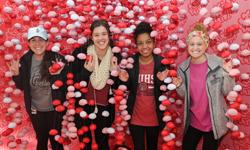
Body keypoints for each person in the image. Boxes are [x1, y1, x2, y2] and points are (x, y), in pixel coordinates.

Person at [173, 24, 235, 150]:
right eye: (192, 44)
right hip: (193, 121)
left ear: (206, 45)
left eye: (199, 44)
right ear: (187, 46)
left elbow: (226, 91)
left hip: (215, 123)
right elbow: (184, 95)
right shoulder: (182, 68)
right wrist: (179, 85)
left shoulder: (218, 63)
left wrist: (228, 74)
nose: (195, 48)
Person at [7, 26, 66, 150]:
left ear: (47, 42)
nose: (37, 43)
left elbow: (65, 84)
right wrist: (16, 74)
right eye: (33, 40)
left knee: (56, 141)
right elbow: (21, 86)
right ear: (28, 43)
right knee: (41, 139)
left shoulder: (57, 58)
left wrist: (58, 76)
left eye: (41, 39)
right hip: (35, 110)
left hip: (54, 109)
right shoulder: (25, 60)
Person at [72, 19, 125, 150]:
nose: (101, 38)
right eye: (97, 35)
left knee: (103, 143)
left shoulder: (116, 55)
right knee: (85, 144)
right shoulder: (80, 54)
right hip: (83, 107)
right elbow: (73, 83)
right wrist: (86, 71)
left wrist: (115, 73)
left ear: (109, 35)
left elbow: (119, 87)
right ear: (91, 37)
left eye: (104, 34)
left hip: (105, 108)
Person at [125, 22, 169, 150]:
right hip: (135, 118)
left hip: (154, 118)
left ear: (154, 42)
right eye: (140, 43)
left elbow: (166, 89)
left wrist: (164, 81)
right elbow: (127, 87)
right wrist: (124, 80)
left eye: (148, 42)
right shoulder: (131, 62)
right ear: (136, 45)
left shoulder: (161, 63)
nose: (145, 46)